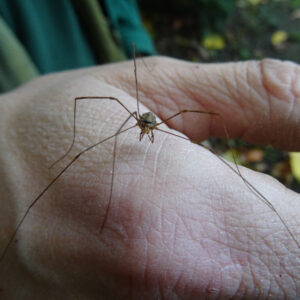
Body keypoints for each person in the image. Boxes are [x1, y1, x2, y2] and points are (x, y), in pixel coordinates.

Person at [0, 55, 299, 299]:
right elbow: (93, 106)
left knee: (208, 121)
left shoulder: (153, 124)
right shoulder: (134, 123)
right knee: (97, 131)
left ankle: (241, 176)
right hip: (135, 117)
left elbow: (212, 116)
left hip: (151, 119)